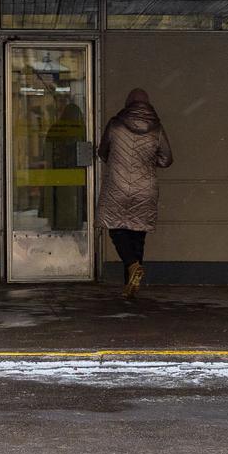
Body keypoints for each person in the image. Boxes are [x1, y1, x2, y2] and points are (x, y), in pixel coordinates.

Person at [96, 88, 173, 299]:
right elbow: (166, 159)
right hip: (145, 188)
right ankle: (131, 285)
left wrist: (117, 160)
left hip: (117, 187)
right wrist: (147, 162)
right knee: (138, 235)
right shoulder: (156, 128)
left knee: (116, 229)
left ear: (128, 103)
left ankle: (131, 266)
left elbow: (103, 152)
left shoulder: (115, 124)